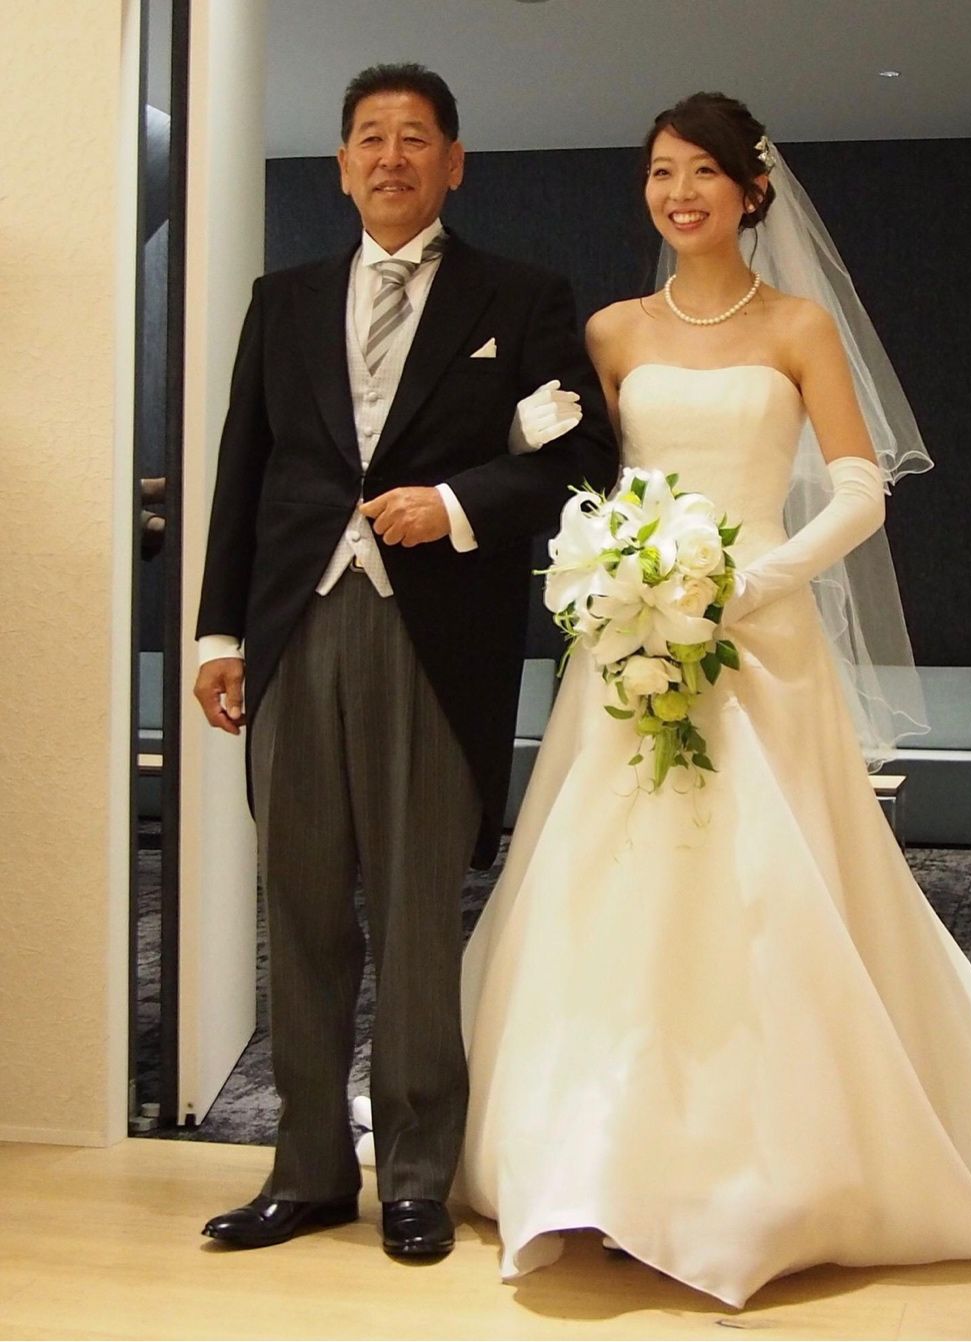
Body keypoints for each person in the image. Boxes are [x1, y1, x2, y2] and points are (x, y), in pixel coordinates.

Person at [451, 92, 971, 1307]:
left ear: (751, 190)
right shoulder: (611, 330)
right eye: (660, 172)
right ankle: (594, 1160)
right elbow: (572, 471)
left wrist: (746, 580)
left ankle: (765, 1168)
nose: (678, 194)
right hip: (629, 641)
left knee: (768, 893)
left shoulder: (798, 325)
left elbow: (860, 489)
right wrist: (614, 560)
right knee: (607, 887)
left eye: (701, 173)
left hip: (759, 642)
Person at [192, 62, 616, 1259]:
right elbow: (243, 470)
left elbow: (578, 458)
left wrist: (457, 504)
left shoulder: (519, 297)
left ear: (453, 162)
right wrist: (219, 631)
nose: (391, 157)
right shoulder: (282, 300)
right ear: (341, 165)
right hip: (294, 628)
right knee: (300, 906)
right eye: (369, 138)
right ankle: (309, 1170)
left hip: (435, 638)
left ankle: (417, 1173)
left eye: (414, 137)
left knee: (418, 911)